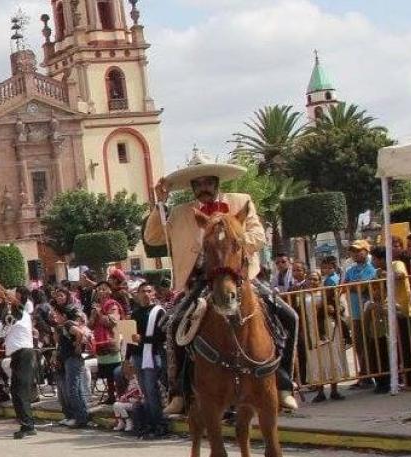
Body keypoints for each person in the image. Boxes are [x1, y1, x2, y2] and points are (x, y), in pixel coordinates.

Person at [145, 152, 298, 415]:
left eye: (208, 181)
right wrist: (159, 205)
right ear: (192, 186)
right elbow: (153, 237)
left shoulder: (241, 201)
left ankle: (284, 383)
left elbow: (258, 236)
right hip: (201, 281)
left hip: (240, 277)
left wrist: (229, 244)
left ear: (217, 182)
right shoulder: (181, 212)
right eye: (198, 183)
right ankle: (178, 391)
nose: (203, 186)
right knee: (172, 326)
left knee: (289, 316)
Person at [373, 246, 411, 389]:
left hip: (404, 311)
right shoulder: (378, 272)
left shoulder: (396, 264)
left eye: (375, 259)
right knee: (397, 347)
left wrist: (386, 275)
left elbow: (400, 274)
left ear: (382, 259)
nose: (374, 262)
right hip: (391, 313)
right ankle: (401, 378)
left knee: (408, 347)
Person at [0, 293, 38, 439]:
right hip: (20, 354)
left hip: (23, 354)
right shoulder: (19, 313)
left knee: (19, 391)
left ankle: (28, 425)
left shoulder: (17, 314)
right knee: (17, 389)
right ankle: (26, 423)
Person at [300, 271, 347, 402]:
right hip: (312, 332)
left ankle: (334, 390)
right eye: (309, 279)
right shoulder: (302, 296)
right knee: (316, 360)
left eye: (315, 279)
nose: (312, 282)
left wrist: (332, 309)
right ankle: (320, 392)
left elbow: (341, 307)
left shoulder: (326, 293)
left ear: (320, 280)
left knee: (332, 358)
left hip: (328, 330)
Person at [128, 282, 167, 437]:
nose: (145, 294)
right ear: (137, 294)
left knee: (152, 390)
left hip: (152, 354)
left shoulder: (159, 312)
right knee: (145, 391)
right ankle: (150, 424)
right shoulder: (135, 313)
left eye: (148, 291)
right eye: (142, 291)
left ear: (153, 294)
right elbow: (130, 338)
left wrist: (143, 338)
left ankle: (159, 424)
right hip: (137, 356)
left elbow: (162, 336)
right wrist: (127, 359)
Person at [51, 288, 91, 428]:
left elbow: (80, 332)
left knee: (73, 389)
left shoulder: (68, 323)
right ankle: (74, 416)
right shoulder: (61, 326)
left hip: (72, 358)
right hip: (65, 357)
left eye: (57, 314)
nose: (55, 316)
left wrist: (78, 346)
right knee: (68, 389)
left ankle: (80, 418)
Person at [343, 240, 380, 385]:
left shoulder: (372, 267)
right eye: (353, 251)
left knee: (370, 343)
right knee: (358, 343)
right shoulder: (350, 270)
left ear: (366, 251)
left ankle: (371, 372)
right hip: (355, 312)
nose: (355, 254)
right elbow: (346, 286)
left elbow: (364, 287)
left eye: (359, 250)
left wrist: (354, 286)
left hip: (369, 311)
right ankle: (364, 373)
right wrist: (355, 286)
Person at [111, 361, 142, 433]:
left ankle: (128, 421)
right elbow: (128, 391)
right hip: (130, 400)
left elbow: (134, 391)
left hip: (136, 401)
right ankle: (121, 422)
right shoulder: (130, 381)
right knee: (116, 405)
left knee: (118, 405)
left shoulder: (136, 380)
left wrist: (124, 397)